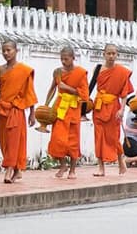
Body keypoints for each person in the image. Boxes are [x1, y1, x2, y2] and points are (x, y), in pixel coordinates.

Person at [0, 40, 37, 183]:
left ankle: (8, 170)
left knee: (14, 141)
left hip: (16, 110)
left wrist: (32, 113)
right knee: (4, 142)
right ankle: (17, 170)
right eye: (4, 51)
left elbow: (29, 92)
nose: (6, 53)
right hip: (2, 109)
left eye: (9, 50)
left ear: (16, 50)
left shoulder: (24, 70)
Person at [46, 46, 89, 179]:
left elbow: (84, 94)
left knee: (73, 140)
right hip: (60, 108)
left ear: (73, 58)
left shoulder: (80, 73)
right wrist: (46, 105)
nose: (64, 62)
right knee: (57, 139)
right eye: (62, 59)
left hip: (73, 108)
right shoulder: (58, 72)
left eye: (66, 59)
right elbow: (53, 89)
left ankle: (72, 170)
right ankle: (63, 164)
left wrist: (68, 88)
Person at [92, 44, 133, 176]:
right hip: (98, 107)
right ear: (104, 54)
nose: (111, 56)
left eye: (113, 54)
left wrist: (122, 109)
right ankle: (101, 168)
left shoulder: (122, 72)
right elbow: (91, 86)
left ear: (117, 55)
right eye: (108, 53)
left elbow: (124, 93)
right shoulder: (98, 69)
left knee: (113, 137)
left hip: (113, 108)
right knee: (98, 137)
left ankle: (121, 162)